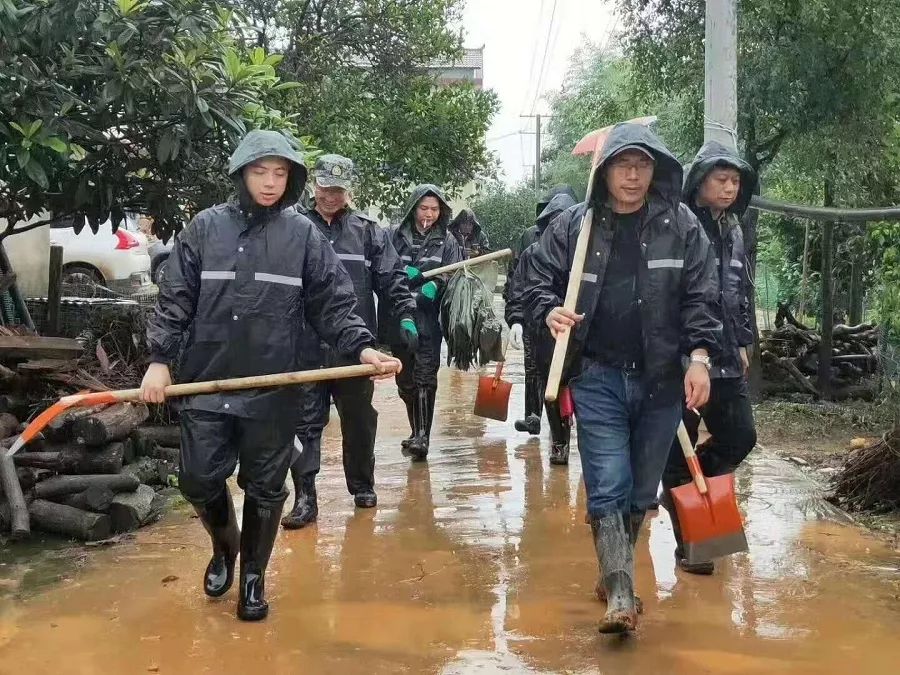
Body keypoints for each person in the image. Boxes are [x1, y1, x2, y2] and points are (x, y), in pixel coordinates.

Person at [141, 130, 400, 622]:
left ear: (291, 179)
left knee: (265, 487)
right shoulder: (205, 228)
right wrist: (160, 359)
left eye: (280, 173)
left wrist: (362, 346)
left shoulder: (302, 235)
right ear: (241, 172)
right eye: (260, 171)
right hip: (207, 379)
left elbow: (332, 302)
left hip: (274, 386)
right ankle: (226, 545)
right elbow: (176, 296)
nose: (269, 182)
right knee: (197, 479)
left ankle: (254, 577)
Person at [523, 122, 721, 634]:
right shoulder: (574, 225)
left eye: (642, 166)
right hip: (597, 374)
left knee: (640, 490)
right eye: (623, 166)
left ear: (656, 171)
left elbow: (703, 295)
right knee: (608, 482)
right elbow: (534, 279)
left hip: (662, 379)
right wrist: (548, 309)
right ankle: (620, 594)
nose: (632, 176)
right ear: (605, 172)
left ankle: (615, 571)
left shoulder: (682, 226)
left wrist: (700, 357)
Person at [281, 155, 418, 529]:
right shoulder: (293, 227)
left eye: (338, 191)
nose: (330, 197)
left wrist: (406, 314)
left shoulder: (367, 232)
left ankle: (362, 485)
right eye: (325, 189)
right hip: (304, 346)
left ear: (349, 191)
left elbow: (392, 279)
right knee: (303, 422)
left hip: (355, 348)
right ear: (314, 186)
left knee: (358, 420)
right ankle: (305, 497)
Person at [660, 140, 758, 575]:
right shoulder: (677, 225)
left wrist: (743, 341)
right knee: (677, 449)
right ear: (699, 182)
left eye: (735, 180)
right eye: (721, 179)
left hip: (725, 354)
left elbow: (739, 291)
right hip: (682, 355)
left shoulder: (733, 230)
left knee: (740, 435)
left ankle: (681, 493)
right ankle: (691, 545)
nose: (730, 187)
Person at [379, 185, 464, 460]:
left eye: (434, 209)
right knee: (405, 380)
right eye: (424, 208)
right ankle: (415, 429)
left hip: (428, 317)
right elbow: (383, 268)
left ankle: (422, 437)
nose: (429, 214)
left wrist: (434, 286)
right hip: (398, 315)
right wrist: (405, 272)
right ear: (414, 208)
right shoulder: (393, 235)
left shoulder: (448, 241)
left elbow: (452, 273)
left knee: (425, 376)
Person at [506, 190, 578, 464]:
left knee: (584, 389)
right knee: (551, 387)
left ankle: (588, 443)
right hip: (543, 331)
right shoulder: (533, 254)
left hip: (583, 334)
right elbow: (518, 289)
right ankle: (559, 442)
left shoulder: (589, 254)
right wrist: (516, 320)